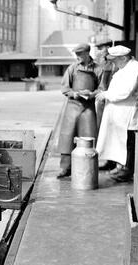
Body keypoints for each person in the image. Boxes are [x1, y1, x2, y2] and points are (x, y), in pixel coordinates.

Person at [95, 45, 138, 182]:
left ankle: (127, 171)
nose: (114, 63)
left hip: (127, 111)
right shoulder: (124, 67)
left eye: (115, 60)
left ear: (123, 57)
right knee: (117, 140)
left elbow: (125, 91)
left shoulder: (135, 68)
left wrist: (106, 94)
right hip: (118, 112)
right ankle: (117, 165)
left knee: (127, 142)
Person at [56, 43, 103, 178]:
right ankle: (65, 168)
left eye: (80, 54)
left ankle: (88, 168)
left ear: (87, 53)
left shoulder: (98, 69)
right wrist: (74, 94)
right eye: (76, 54)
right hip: (72, 105)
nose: (77, 57)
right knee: (67, 137)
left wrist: (92, 94)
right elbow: (65, 88)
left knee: (89, 138)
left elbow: (102, 88)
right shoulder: (72, 68)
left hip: (88, 107)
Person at [94, 39, 118, 171]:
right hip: (103, 102)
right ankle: (110, 160)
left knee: (111, 131)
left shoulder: (111, 67)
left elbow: (105, 85)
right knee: (104, 131)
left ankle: (113, 161)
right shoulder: (104, 65)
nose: (99, 52)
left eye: (101, 48)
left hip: (110, 102)